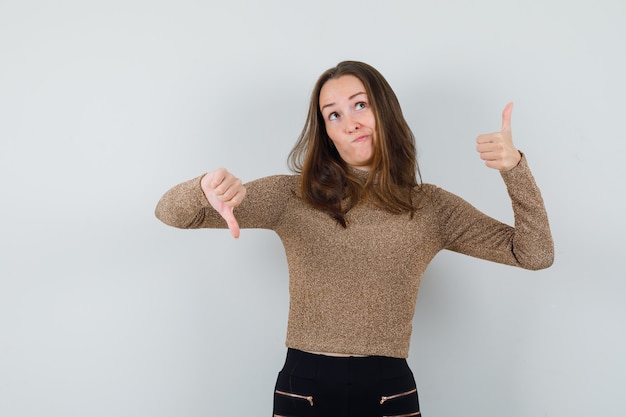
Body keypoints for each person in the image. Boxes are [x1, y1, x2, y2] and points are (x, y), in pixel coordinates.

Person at [155, 60, 554, 417]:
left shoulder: (432, 207)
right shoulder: (291, 196)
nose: (350, 123)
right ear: (327, 133)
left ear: (385, 111)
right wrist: (203, 188)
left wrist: (515, 168)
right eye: (333, 115)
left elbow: (534, 254)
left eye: (360, 105)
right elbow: (170, 213)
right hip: (304, 389)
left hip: (388, 392)